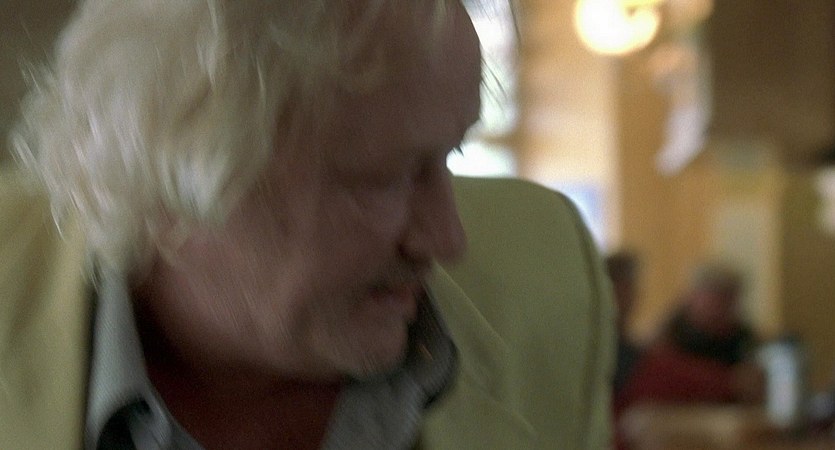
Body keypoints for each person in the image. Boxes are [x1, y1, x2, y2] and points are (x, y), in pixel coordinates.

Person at [0, 0, 615, 448]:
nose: (447, 239)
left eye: (450, 155)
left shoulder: (548, 279)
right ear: (168, 177)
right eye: (381, 179)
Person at [617, 261, 763, 407]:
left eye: (728, 298)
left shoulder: (744, 339)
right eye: (714, 296)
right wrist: (728, 382)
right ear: (693, 296)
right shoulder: (668, 335)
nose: (720, 306)